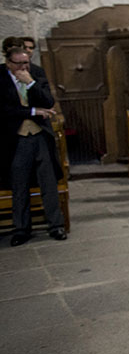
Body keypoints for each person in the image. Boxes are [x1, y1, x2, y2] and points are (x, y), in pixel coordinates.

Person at [2, 45, 66, 245]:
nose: (24, 67)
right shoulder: (1, 79)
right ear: (8, 63)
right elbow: (4, 110)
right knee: (19, 184)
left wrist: (30, 83)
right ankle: (22, 228)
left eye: (26, 63)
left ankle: (56, 225)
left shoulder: (36, 74)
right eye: (19, 64)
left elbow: (48, 101)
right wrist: (32, 112)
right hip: (16, 138)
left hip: (39, 136)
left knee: (48, 182)